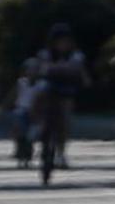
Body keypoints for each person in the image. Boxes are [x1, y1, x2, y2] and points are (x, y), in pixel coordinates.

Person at [37, 24, 90, 169]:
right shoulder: (45, 54)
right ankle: (37, 124)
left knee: (65, 120)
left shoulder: (76, 56)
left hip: (66, 91)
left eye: (66, 41)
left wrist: (82, 78)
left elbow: (83, 75)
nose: (63, 44)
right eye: (59, 41)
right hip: (49, 89)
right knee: (40, 95)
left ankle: (61, 153)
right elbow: (40, 70)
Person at [11, 58, 45, 168]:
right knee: (20, 131)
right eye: (29, 69)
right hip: (21, 110)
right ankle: (19, 152)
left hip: (36, 112)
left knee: (31, 136)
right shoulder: (21, 82)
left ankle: (28, 155)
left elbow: (42, 100)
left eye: (35, 69)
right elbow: (15, 97)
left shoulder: (41, 85)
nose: (32, 72)